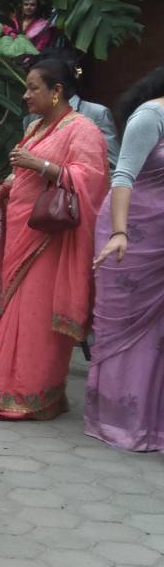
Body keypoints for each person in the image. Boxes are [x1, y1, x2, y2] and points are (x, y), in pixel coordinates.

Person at [0, 53, 109, 421]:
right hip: (24, 232)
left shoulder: (82, 129)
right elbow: (23, 174)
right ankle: (28, 394)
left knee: (36, 317)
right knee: (19, 314)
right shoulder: (36, 127)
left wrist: (42, 165)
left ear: (57, 91)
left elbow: (92, 179)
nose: (26, 95)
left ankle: (33, 396)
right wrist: (1, 190)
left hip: (50, 241)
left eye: (33, 88)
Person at [85, 64, 164, 452]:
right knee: (122, 329)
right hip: (129, 235)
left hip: (162, 240)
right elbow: (123, 176)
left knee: (157, 335)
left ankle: (153, 423)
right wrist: (119, 233)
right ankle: (117, 421)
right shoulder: (151, 116)